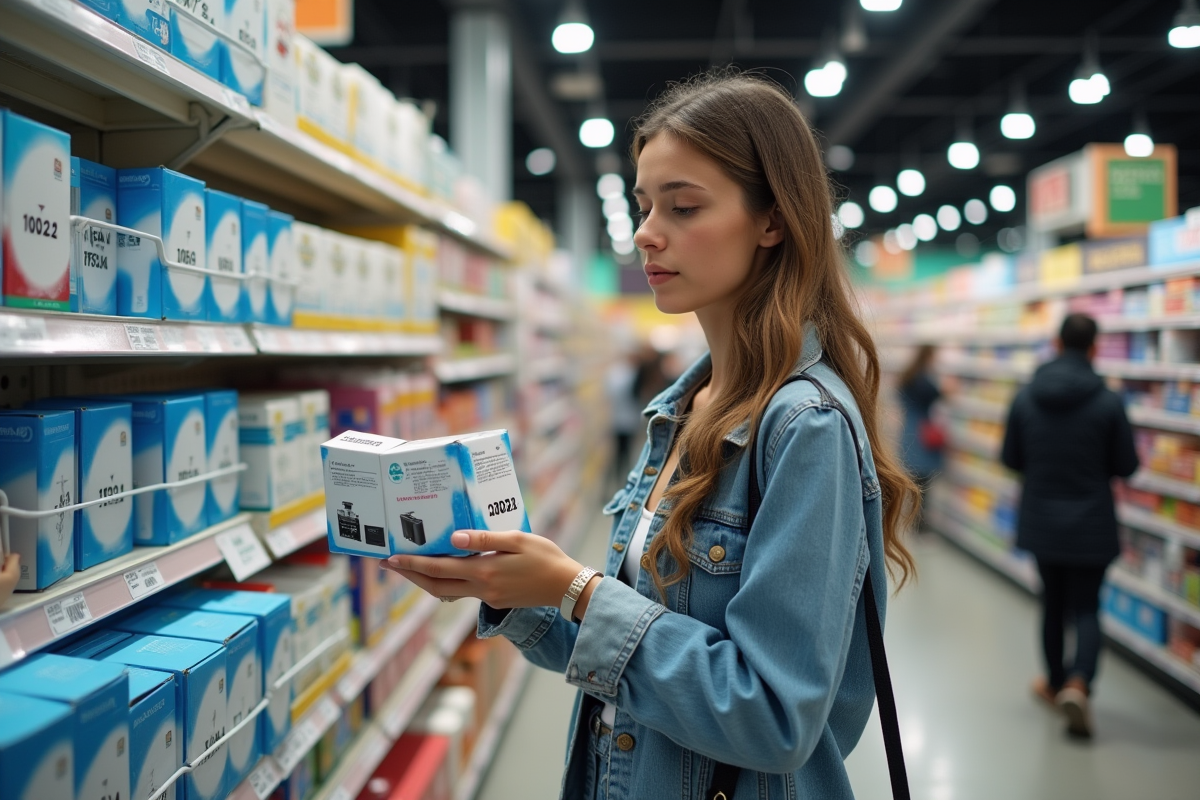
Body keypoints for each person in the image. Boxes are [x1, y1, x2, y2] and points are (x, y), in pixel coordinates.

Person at [384, 71, 919, 798]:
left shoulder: (806, 427)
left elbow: (773, 719)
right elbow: (627, 663)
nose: (645, 233)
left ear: (772, 221)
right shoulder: (685, 409)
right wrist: (514, 589)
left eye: (684, 206)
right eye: (644, 206)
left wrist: (577, 589)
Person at [1001, 313, 1139, 739]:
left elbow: (1010, 458)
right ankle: (1079, 684)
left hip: (1042, 522)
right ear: (1094, 348)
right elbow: (1127, 465)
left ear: (1057, 345)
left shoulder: (1026, 396)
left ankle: (1054, 683)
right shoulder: (1109, 401)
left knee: (1053, 605)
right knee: (1086, 607)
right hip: (1092, 524)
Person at [897, 344, 945, 498]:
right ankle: (920, 512)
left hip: (909, 431)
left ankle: (915, 510)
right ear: (928, 356)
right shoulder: (922, 379)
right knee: (923, 483)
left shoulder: (908, 376)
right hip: (921, 435)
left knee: (914, 481)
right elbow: (935, 393)